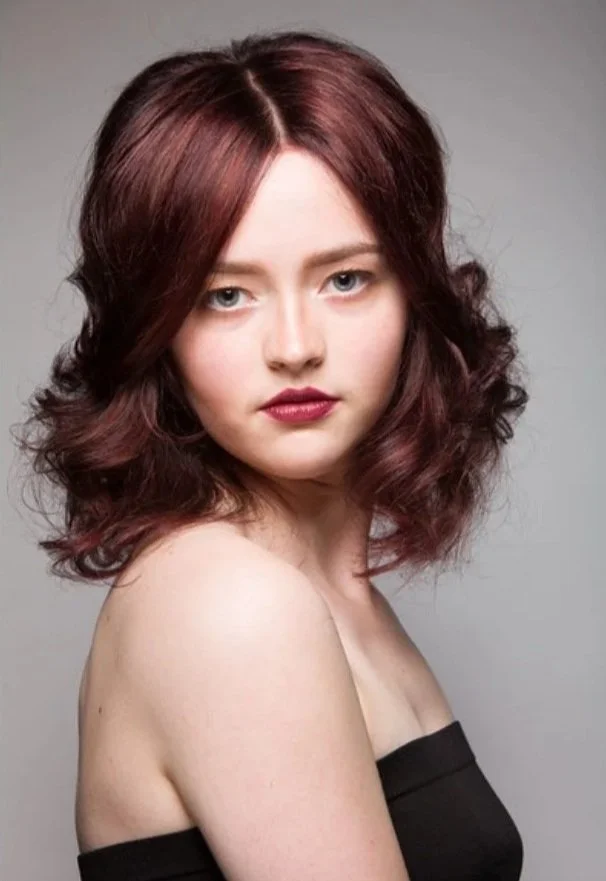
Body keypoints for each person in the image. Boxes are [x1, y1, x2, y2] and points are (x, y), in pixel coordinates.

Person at [15, 27, 529, 881]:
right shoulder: (230, 605)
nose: (294, 346)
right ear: (159, 328)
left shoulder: (321, 586)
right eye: (225, 295)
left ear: (415, 293)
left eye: (345, 278)